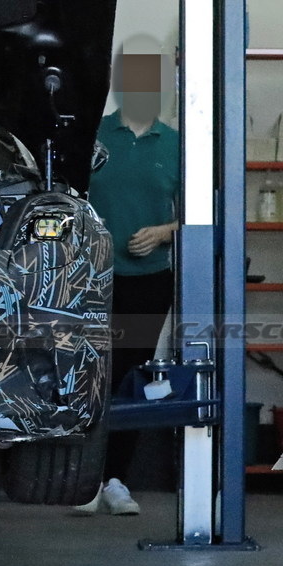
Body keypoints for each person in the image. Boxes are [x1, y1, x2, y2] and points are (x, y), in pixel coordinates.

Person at [77, 50, 179, 516]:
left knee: (129, 378)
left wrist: (164, 231)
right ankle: (82, 480)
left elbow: (199, 212)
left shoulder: (175, 145)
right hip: (88, 281)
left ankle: (115, 480)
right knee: (87, 375)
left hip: (148, 280)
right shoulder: (92, 138)